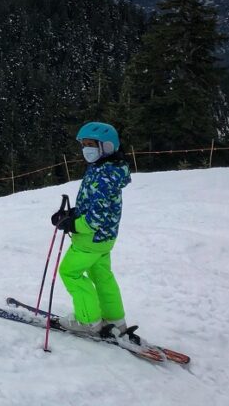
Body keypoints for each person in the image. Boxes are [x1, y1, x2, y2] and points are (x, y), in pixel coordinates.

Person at [51, 121, 145, 351]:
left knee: (70, 272)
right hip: (104, 239)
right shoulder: (105, 168)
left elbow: (95, 218)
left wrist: (73, 223)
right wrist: (72, 214)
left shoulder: (105, 175)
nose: (86, 149)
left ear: (107, 146)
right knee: (101, 275)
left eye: (91, 144)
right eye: (83, 145)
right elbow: (94, 204)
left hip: (90, 239)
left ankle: (88, 320)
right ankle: (115, 319)